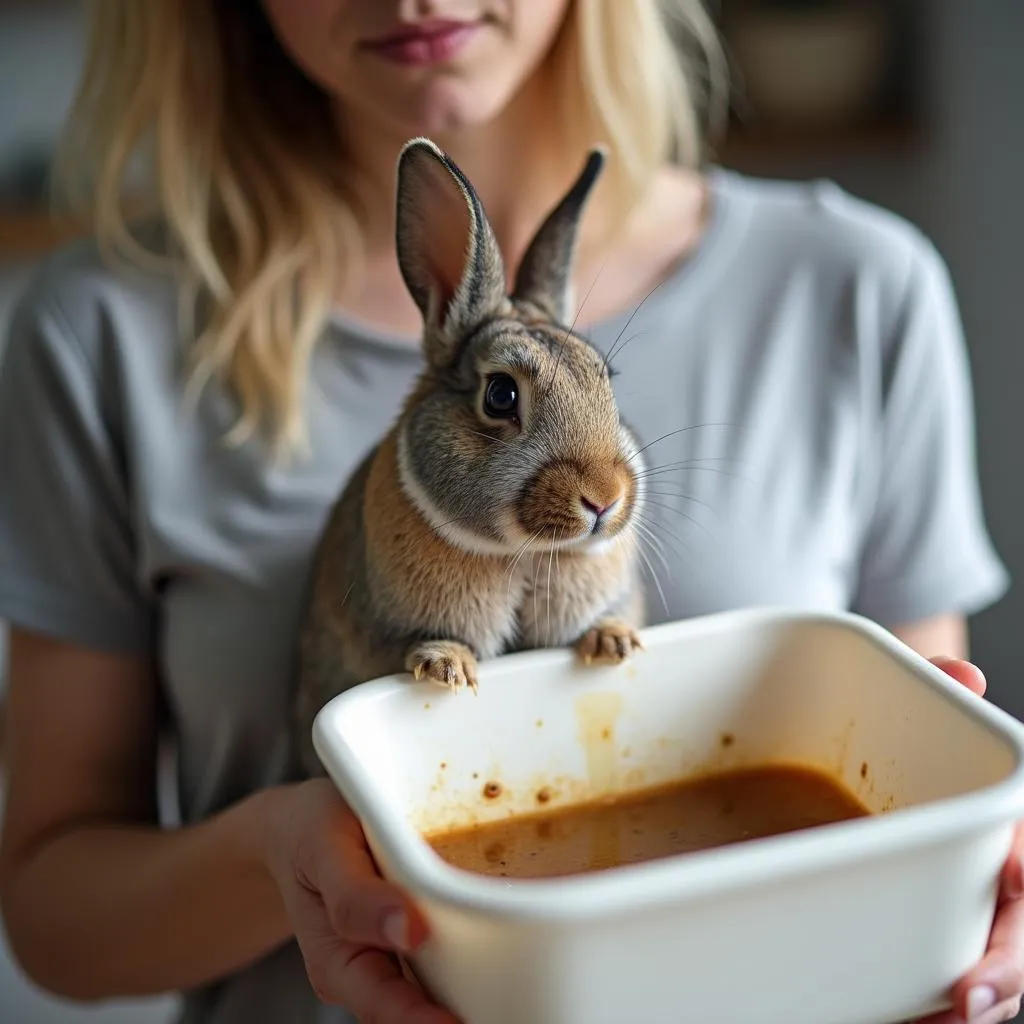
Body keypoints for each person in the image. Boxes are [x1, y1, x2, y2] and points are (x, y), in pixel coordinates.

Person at [0, 1, 1017, 1022]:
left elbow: (911, 783)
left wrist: (970, 891)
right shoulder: (98, 333)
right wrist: (286, 854)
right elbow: (56, 918)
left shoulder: (858, 287)